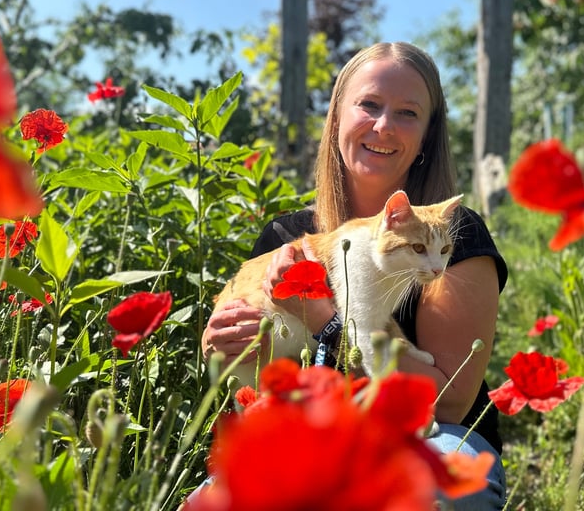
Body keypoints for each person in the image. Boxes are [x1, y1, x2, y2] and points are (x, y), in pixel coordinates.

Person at [202, 42, 508, 509]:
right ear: (337, 118)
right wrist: (220, 345)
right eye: (368, 104)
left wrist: (324, 319)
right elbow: (254, 383)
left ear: (426, 135)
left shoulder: (453, 235)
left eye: (408, 113)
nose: (383, 125)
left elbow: (447, 402)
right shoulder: (286, 235)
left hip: (431, 434)